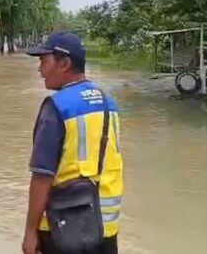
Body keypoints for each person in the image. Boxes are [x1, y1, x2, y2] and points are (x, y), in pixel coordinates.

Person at [22, 31, 124, 254]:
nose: (40, 70)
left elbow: (42, 175)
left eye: (43, 61)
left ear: (65, 63)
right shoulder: (108, 103)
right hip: (105, 228)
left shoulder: (57, 107)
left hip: (64, 228)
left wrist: (30, 233)